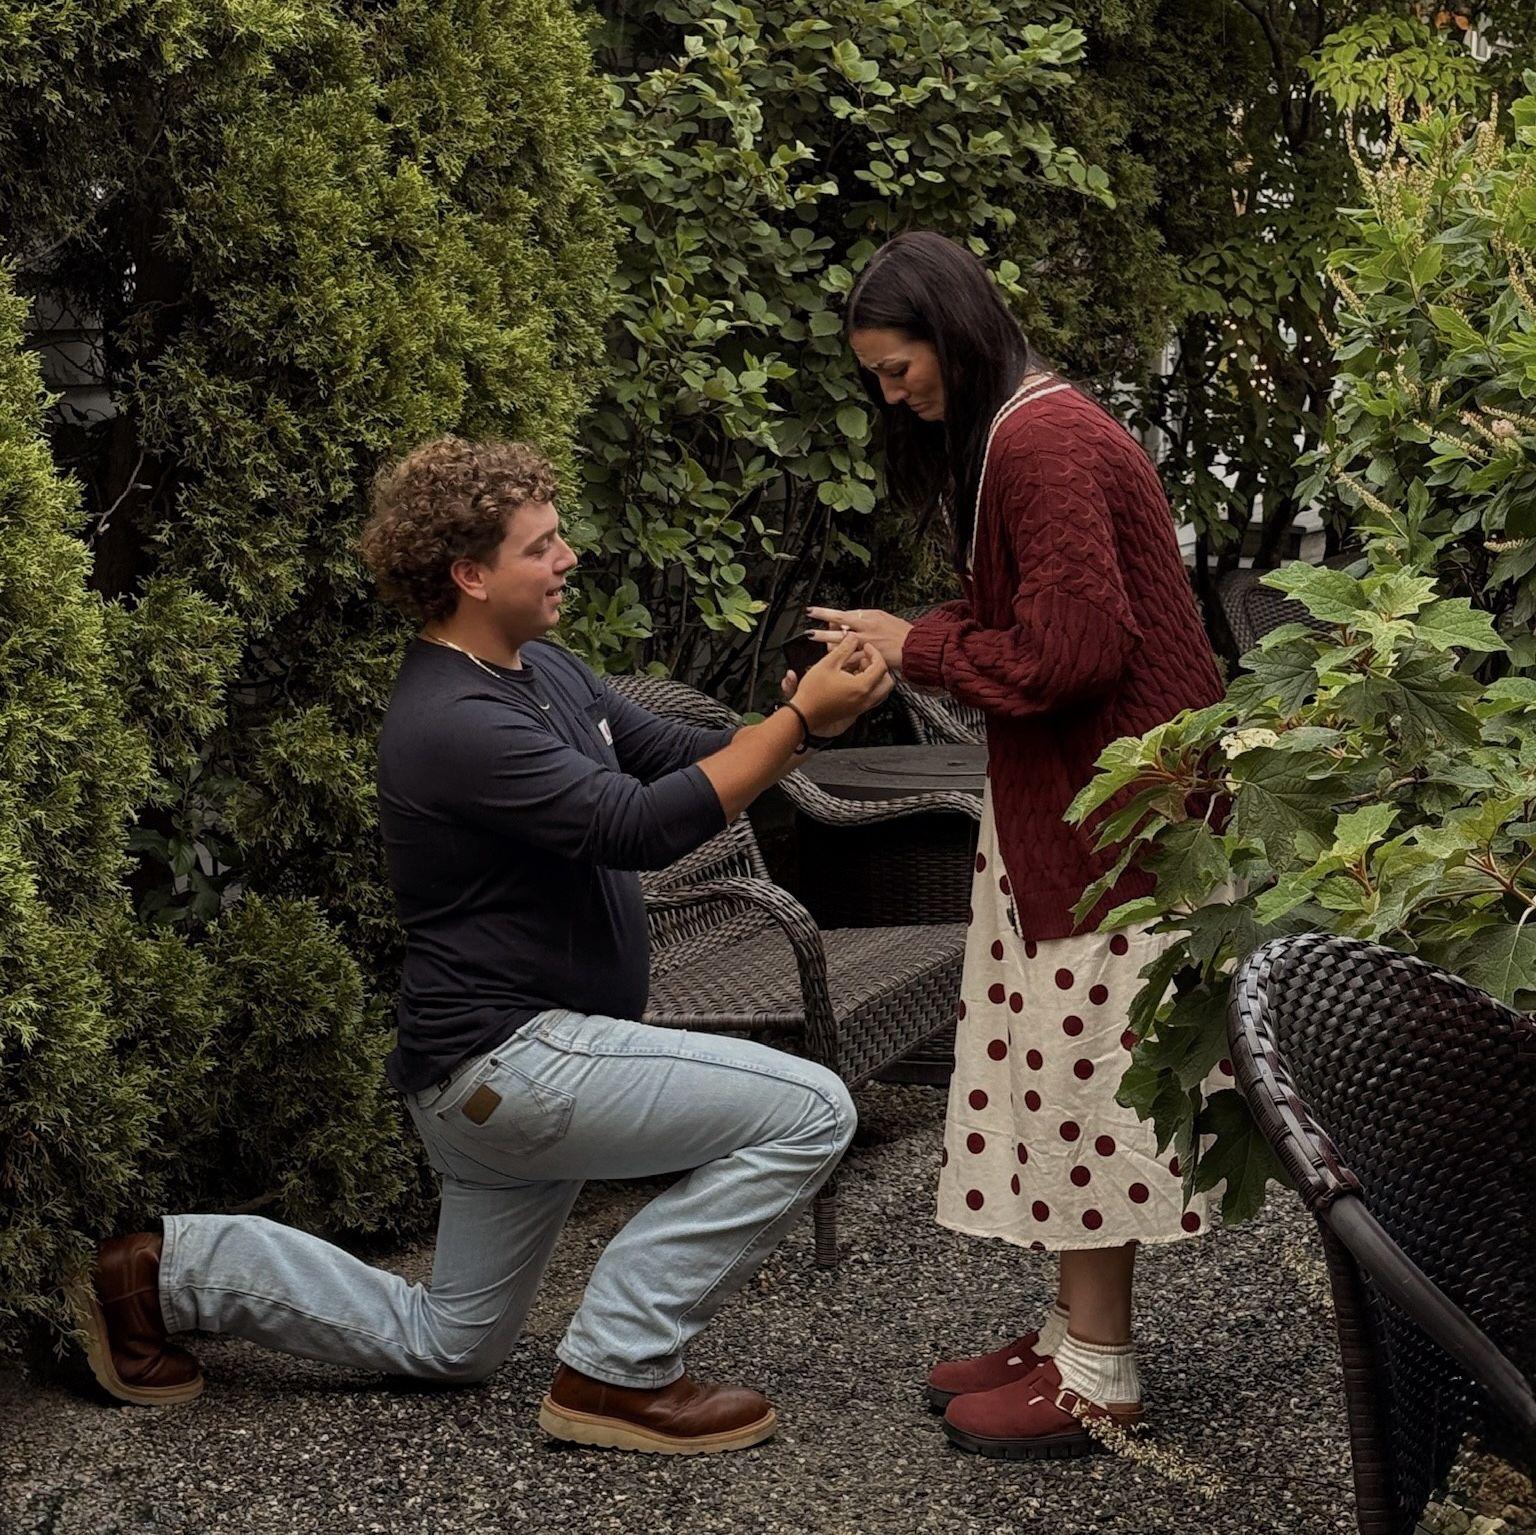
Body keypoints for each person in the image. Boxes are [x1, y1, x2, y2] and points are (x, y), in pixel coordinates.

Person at [72, 436, 894, 1455]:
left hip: (500, 1073)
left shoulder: (540, 667)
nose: (568, 558)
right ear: (470, 574)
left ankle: (155, 1275)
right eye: (541, 545)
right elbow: (633, 825)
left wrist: (801, 713)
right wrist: (796, 727)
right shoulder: (451, 720)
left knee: (449, 1339)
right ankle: (618, 1369)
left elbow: (688, 759)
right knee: (812, 1109)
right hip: (513, 1061)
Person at [806, 231, 1225, 1460]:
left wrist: (916, 643)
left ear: (955, 331)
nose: (893, 395)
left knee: (1087, 1077)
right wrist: (922, 633)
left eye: (897, 368)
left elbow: (1070, 652)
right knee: (1058, 1068)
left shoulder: (1038, 441)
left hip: (1119, 825)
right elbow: (1051, 628)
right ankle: (1064, 1333)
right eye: (877, 377)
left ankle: (1100, 1368)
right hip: (1089, 809)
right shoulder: (1023, 435)